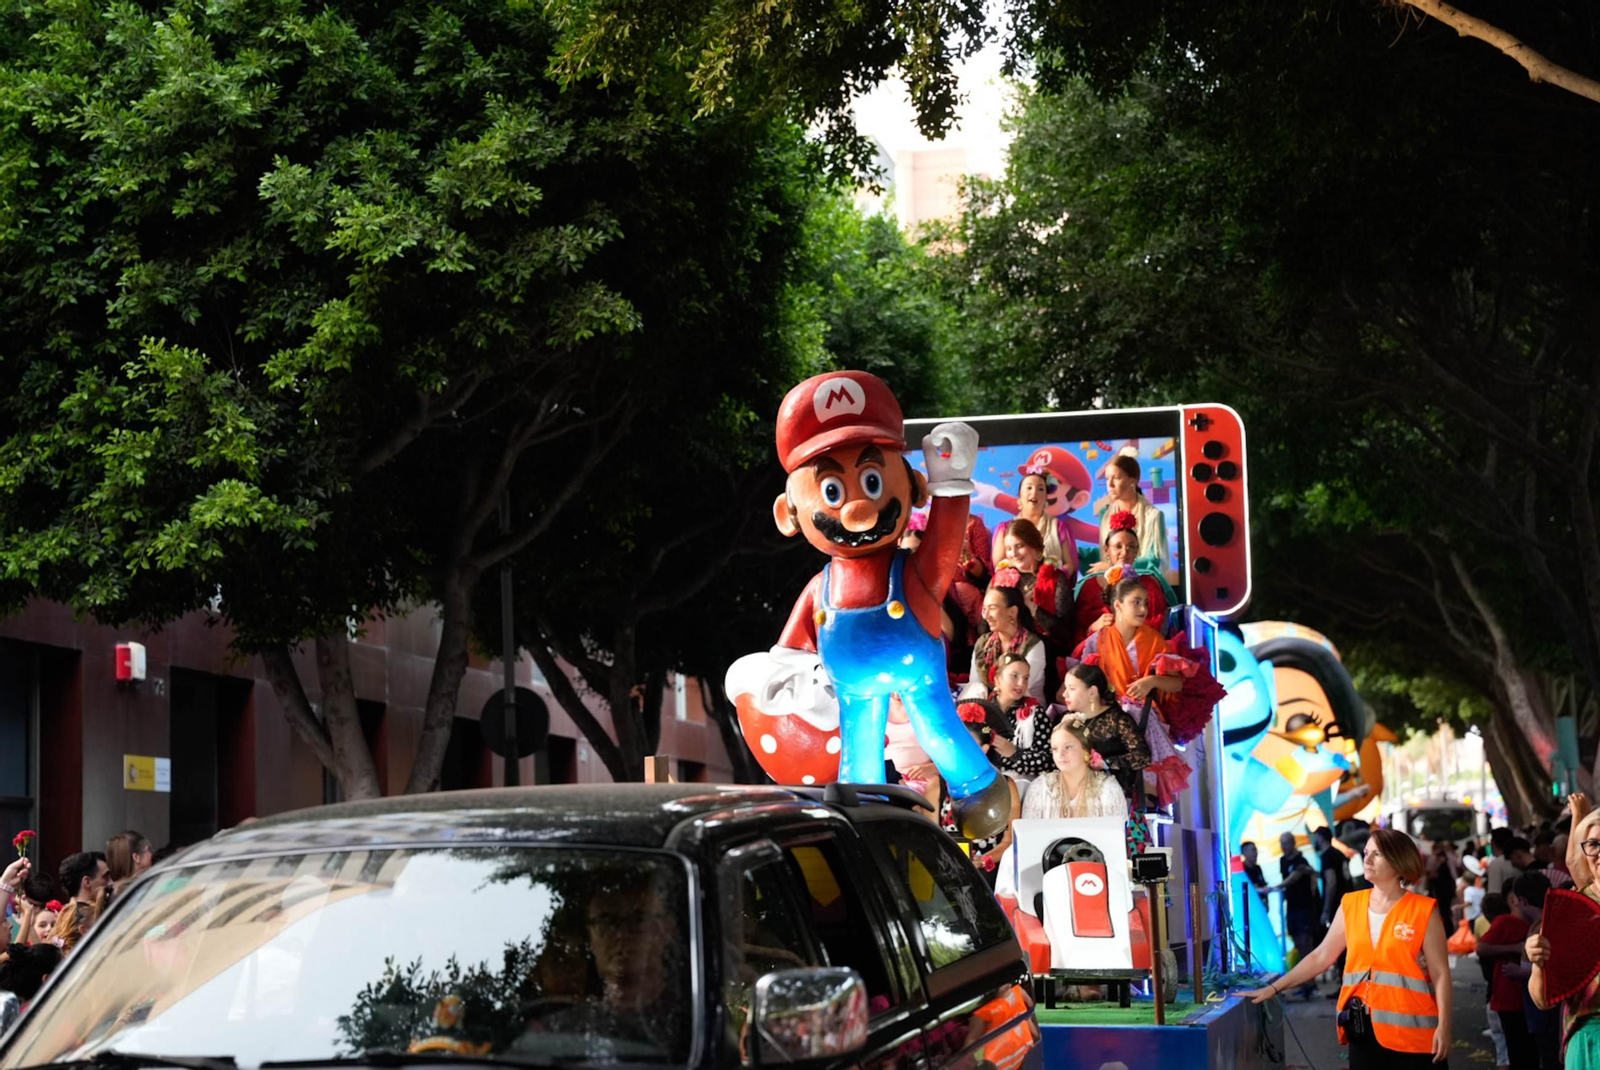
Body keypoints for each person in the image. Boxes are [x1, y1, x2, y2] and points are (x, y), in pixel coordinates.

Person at [1246, 827, 1452, 1067]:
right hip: (1364, 1032)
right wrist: (1273, 987)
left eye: (1377, 854)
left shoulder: (1423, 910)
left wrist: (1445, 1027)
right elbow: (1321, 956)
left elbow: (1441, 975)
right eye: (1366, 853)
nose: (1367, 859)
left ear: (1399, 862)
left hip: (1415, 1036)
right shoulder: (1351, 904)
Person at [1075, 576, 1189, 804]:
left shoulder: (1154, 640)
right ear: (1118, 605)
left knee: (1134, 713)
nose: (1143, 609)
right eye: (1136, 602)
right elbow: (1079, 679)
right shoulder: (1097, 640)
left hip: (1141, 714)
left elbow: (1177, 683)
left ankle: (1145, 798)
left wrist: (1152, 682)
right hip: (1102, 713)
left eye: (1145, 603)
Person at [1526, 793, 1600, 1067]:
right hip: (1588, 1041)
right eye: (1593, 844)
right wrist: (1537, 964)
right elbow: (1543, 1000)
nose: (1599, 853)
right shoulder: (1569, 912)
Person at [941, 709, 1021, 887]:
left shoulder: (1006, 786)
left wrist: (984, 860)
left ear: (984, 749)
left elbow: (1009, 840)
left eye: (969, 744)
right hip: (947, 867)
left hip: (988, 869)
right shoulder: (938, 784)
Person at [1055, 662, 1150, 806]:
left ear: (1092, 691)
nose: (1064, 694)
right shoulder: (1066, 720)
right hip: (1074, 796)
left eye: (1072, 688)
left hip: (1112, 797)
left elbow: (1143, 756)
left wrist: (1106, 763)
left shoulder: (1116, 719)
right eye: (1065, 688)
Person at [1479, 873, 1543, 1070]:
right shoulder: (1505, 922)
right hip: (1509, 1000)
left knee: (1531, 1052)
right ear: (1514, 901)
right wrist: (1515, 948)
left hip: (1531, 1000)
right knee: (1517, 1052)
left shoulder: (1536, 924)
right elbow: (1482, 948)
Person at [1021, 721, 1129, 820]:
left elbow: (1116, 836)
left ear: (1086, 750)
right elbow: (1028, 834)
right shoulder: (1041, 787)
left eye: (1068, 747)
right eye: (1055, 749)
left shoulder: (1107, 788)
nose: (1060, 754)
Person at [962, 584, 1046, 702]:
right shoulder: (983, 644)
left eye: (992, 608)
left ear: (1012, 611)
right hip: (987, 707)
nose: (986, 616)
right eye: (984, 609)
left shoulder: (1033, 646)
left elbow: (1019, 688)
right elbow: (975, 683)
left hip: (1023, 710)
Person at [999, 520, 1074, 650]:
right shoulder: (1001, 578)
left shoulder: (1056, 579)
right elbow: (985, 625)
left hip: (1046, 649)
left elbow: (1065, 633)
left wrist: (1031, 606)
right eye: (1009, 549)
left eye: (1019, 546)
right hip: (1006, 648)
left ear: (1034, 546)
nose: (1014, 554)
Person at [1093, 456, 1169, 575]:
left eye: (1116, 478)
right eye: (1107, 478)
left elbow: (1153, 560)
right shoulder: (1105, 514)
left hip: (1142, 582)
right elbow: (1104, 552)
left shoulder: (1153, 516)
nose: (1110, 484)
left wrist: (1113, 567)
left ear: (1133, 481)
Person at [986, 654, 1053, 784]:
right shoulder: (981, 713)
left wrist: (1015, 754)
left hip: (1022, 787)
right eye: (1014, 676)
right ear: (997, 679)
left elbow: (1049, 761)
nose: (1021, 683)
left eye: (1026, 678)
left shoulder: (1035, 714)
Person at [992, 467, 1076, 569]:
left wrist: (1055, 576)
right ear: (1019, 496)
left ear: (1046, 497)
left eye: (1040, 489)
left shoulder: (1059, 527)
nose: (1034, 492)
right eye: (1029, 488)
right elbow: (998, 566)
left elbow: (1070, 565)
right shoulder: (1005, 529)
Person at [1272, 832, 1321, 1000]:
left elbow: (1294, 879)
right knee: (1299, 946)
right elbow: (1288, 879)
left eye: (1285, 843)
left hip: (1304, 909)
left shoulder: (1301, 862)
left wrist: (1274, 888)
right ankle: (1305, 983)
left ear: (1293, 843)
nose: (1283, 846)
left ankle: (1310, 984)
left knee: (1306, 946)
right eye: (1281, 843)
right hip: (1292, 909)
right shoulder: (1283, 861)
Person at [106, 830, 153, 896]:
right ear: (136, 857)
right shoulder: (142, 891)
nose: (152, 855)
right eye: (149, 850)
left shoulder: (113, 891)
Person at [1241, 841, 1270, 906]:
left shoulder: (1257, 868)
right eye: (1253, 850)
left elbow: (1263, 884)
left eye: (1256, 850)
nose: (1256, 853)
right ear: (1245, 852)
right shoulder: (1241, 870)